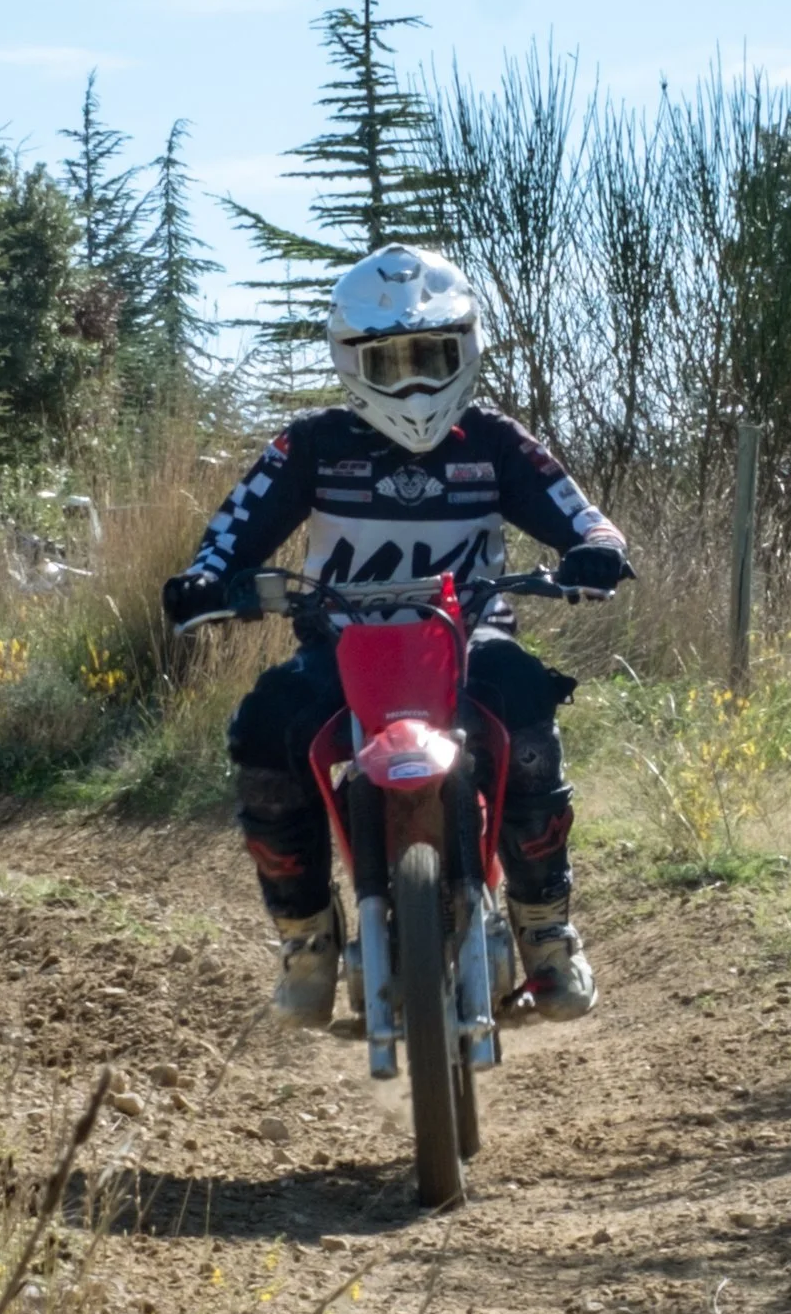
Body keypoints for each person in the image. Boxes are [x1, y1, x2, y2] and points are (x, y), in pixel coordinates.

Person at [163, 246, 633, 1025]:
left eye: (432, 356)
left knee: (526, 715)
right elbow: (234, 530)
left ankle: (546, 927)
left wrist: (596, 554)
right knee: (264, 730)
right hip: (341, 650)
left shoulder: (495, 441)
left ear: (468, 350)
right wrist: (208, 578)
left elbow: (579, 514)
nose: (413, 382)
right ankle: (306, 935)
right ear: (351, 363)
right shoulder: (310, 445)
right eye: (389, 362)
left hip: (469, 639)